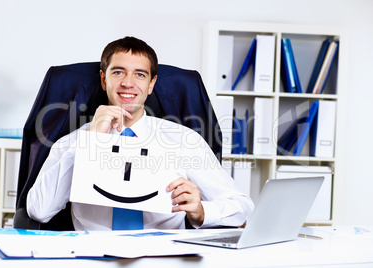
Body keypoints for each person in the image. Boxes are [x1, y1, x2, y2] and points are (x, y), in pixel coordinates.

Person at [27, 36, 254, 230]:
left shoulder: (184, 140)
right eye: (118, 72)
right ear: (104, 80)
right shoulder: (75, 141)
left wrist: (201, 211)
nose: (128, 83)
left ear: (151, 84)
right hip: (93, 255)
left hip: (163, 258)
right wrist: (89, 143)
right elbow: (39, 211)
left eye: (139, 75)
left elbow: (243, 206)